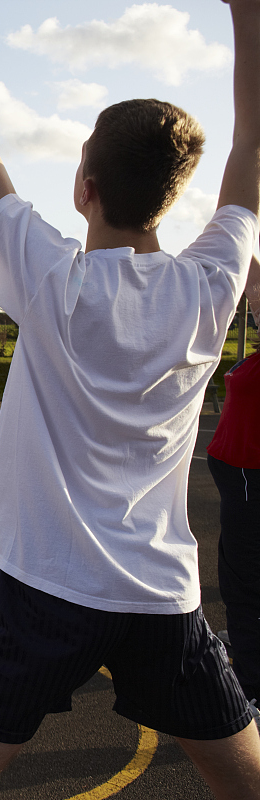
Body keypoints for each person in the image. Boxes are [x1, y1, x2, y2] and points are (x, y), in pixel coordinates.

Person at [0, 0, 260, 797]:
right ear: (170, 197)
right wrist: (246, 17)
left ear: (84, 187)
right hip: (159, 598)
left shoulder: (50, 277)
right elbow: (253, 146)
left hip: (41, 591)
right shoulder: (209, 288)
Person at [210, 255, 260, 705]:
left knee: (244, 585)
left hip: (250, 481)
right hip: (240, 480)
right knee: (242, 582)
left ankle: (251, 688)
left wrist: (244, 231)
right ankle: (249, 656)